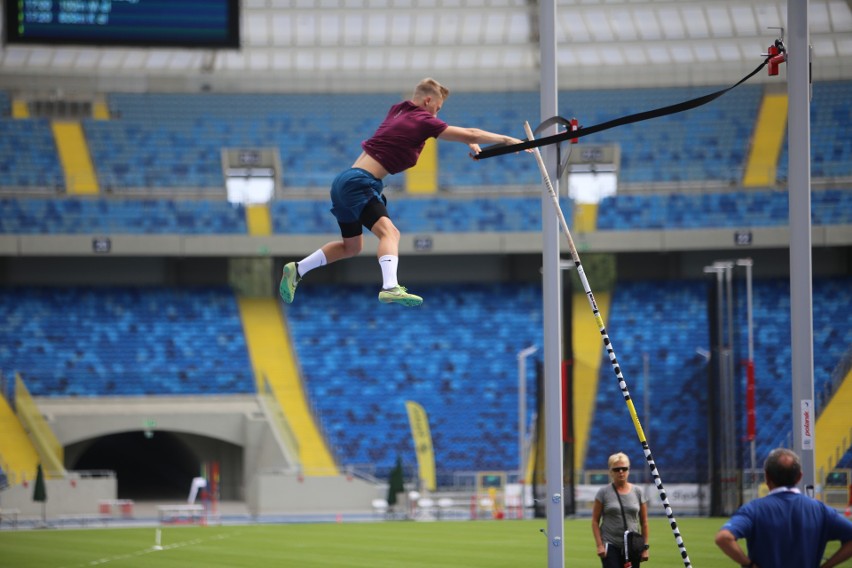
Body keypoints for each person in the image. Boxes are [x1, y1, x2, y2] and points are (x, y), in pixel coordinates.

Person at [278, 77, 525, 307]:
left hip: (344, 182)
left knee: (351, 247)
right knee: (391, 233)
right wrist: (506, 139)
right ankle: (390, 286)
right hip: (361, 182)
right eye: (437, 108)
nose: (437, 116)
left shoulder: (399, 109)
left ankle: (298, 269)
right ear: (428, 101)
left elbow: (455, 134)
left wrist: (468, 141)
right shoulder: (422, 120)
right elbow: (467, 132)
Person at [715, 448, 852, 568]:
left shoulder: (753, 509)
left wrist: (749, 564)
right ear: (799, 477)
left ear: (767, 476)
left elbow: (723, 538)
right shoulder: (821, 510)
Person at [592, 452, 650, 567]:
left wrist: (645, 547)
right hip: (610, 544)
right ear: (610, 471)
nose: (621, 472)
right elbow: (595, 521)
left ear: (629, 470)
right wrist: (599, 545)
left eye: (624, 468)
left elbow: (644, 522)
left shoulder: (638, 492)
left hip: (632, 545)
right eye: (616, 469)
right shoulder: (603, 492)